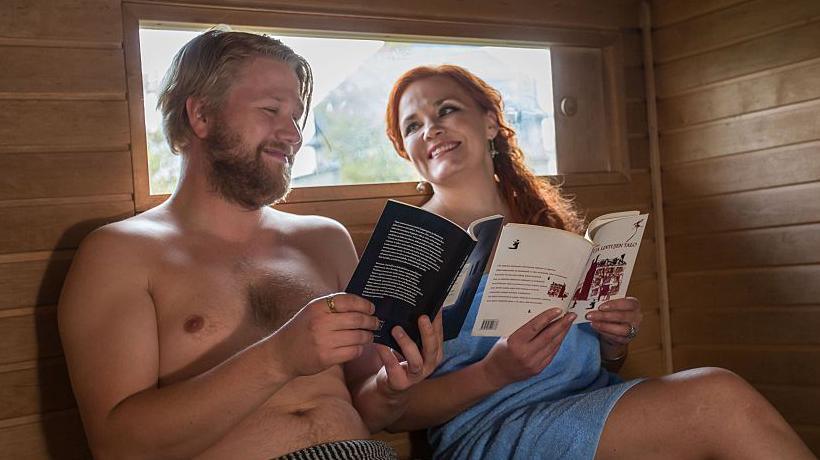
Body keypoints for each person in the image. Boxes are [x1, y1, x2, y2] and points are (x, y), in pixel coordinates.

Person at [381, 65, 815, 459]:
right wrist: (493, 373)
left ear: (490, 122)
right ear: (408, 152)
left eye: (446, 110)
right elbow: (395, 411)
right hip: (493, 430)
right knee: (719, 398)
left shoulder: (549, 226)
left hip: (595, 402)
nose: (432, 130)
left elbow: (602, 364)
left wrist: (613, 342)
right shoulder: (413, 248)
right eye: (414, 126)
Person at [57, 30, 443, 460]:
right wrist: (281, 357)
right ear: (201, 115)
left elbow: (368, 409)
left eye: (296, 116)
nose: (294, 135)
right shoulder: (120, 254)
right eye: (271, 110)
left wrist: (393, 387)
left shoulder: (326, 239)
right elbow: (117, 447)